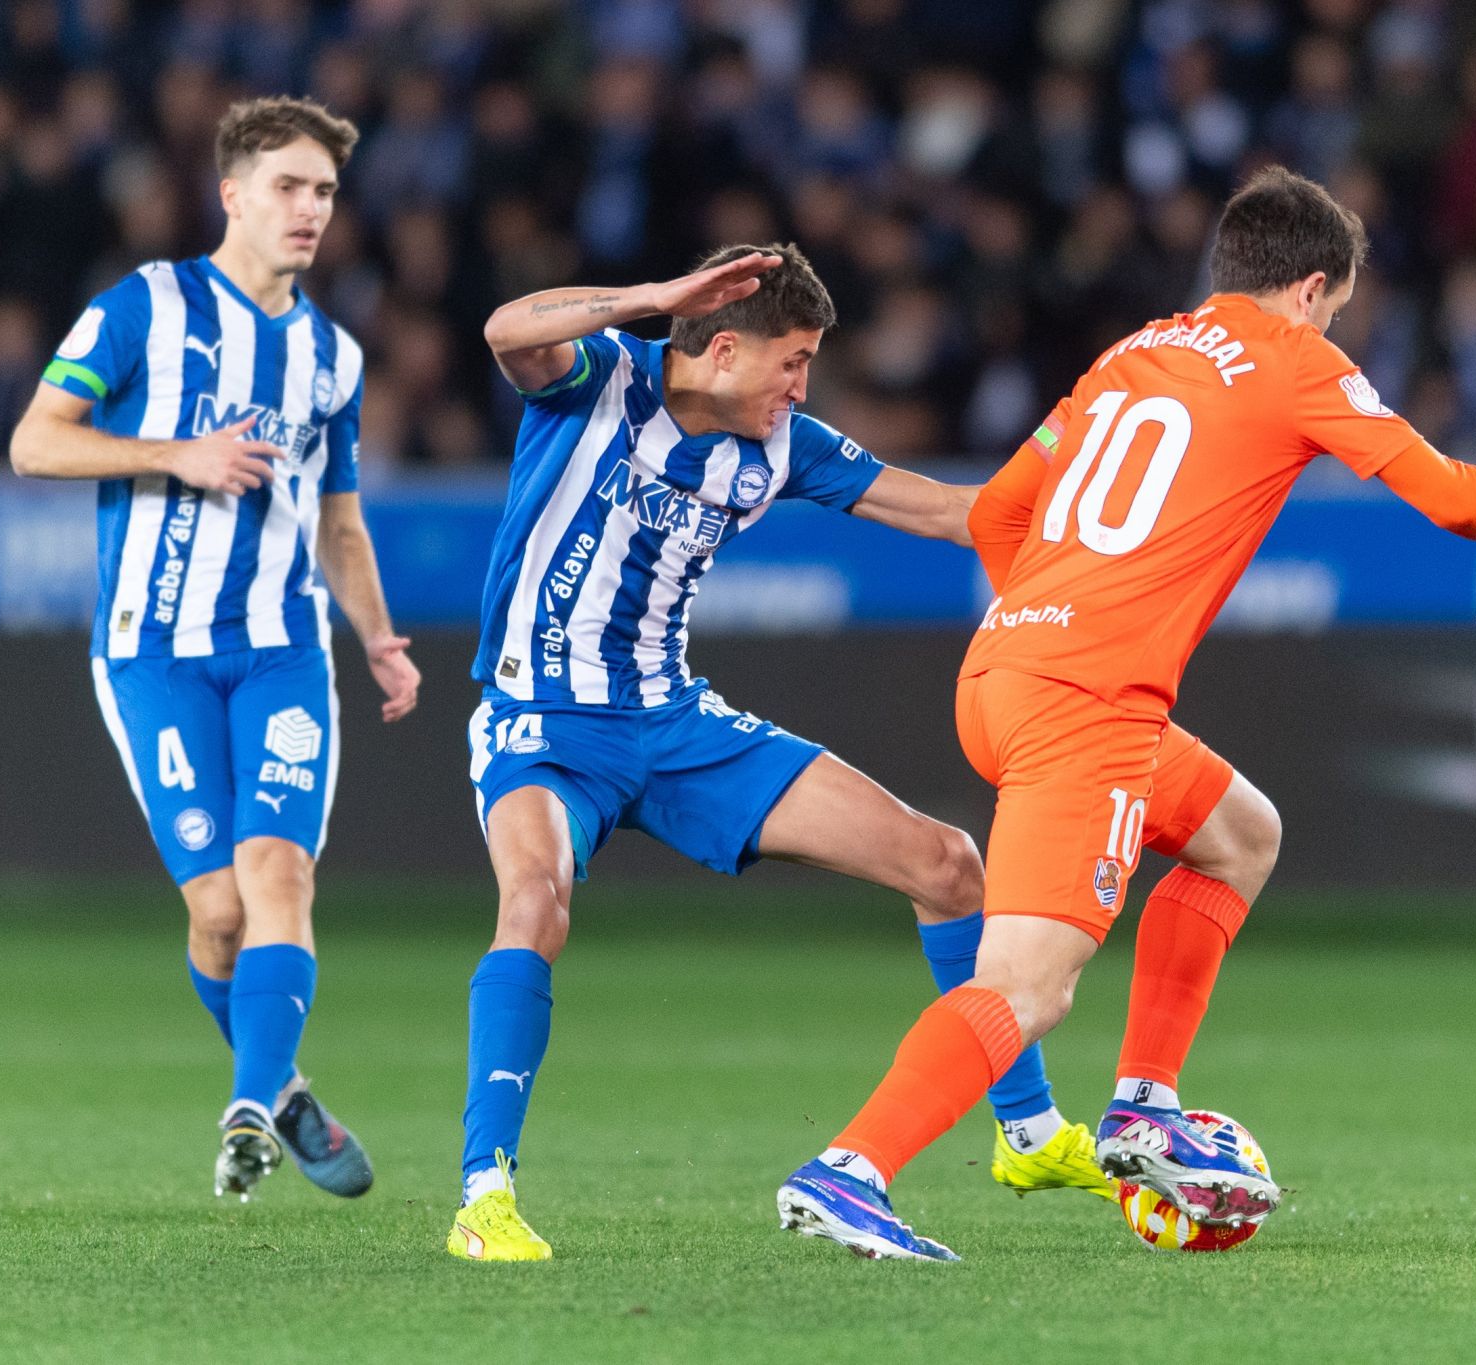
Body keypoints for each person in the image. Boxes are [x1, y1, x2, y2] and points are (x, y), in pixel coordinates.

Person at [777, 166, 1476, 1260]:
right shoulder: (1294, 359)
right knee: (1026, 989)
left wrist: (1053, 613)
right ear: (1310, 288)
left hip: (1004, 671)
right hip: (1085, 706)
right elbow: (1444, 492)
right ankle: (850, 1169)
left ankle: (1143, 1106)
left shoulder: (1130, 355)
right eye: (1334, 307)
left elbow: (996, 514)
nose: (1332, 324)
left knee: (1240, 834)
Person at [448, 243, 1106, 1263]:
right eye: (792, 361)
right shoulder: (603, 378)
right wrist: (650, 297)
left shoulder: (783, 445)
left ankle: (1026, 1133)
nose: (802, 387)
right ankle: (484, 1197)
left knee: (947, 864)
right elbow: (504, 330)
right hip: (544, 723)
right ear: (721, 349)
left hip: (678, 727)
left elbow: (950, 512)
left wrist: (1087, 471)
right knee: (533, 903)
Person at [9, 96, 419, 1202]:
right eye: (288, 186)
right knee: (220, 914)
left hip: (283, 649)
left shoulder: (332, 358)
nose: (309, 208)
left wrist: (378, 638)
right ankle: (284, 1090)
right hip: (152, 653)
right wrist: (174, 453)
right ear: (231, 194)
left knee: (279, 873)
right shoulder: (145, 306)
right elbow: (34, 443)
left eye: (324, 191)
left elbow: (340, 523)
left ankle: (247, 1108)